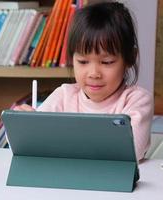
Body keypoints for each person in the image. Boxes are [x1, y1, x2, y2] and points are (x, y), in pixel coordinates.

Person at [14, 1, 154, 161]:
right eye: (83, 62)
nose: (94, 74)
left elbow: (129, 151)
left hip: (113, 183)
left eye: (107, 62)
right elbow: (30, 148)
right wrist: (23, 129)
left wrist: (57, 141)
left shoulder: (136, 100)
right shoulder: (64, 95)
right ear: (71, 59)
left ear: (130, 58)